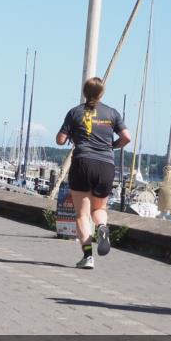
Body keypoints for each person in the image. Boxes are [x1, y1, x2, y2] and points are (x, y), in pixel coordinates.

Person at [55, 77, 130, 270]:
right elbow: (126, 137)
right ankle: (102, 227)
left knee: (81, 214)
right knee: (99, 209)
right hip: (105, 165)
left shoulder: (75, 112)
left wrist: (72, 134)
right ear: (101, 93)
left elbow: (60, 140)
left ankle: (88, 256)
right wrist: (111, 146)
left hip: (82, 162)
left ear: (84, 92)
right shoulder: (112, 113)